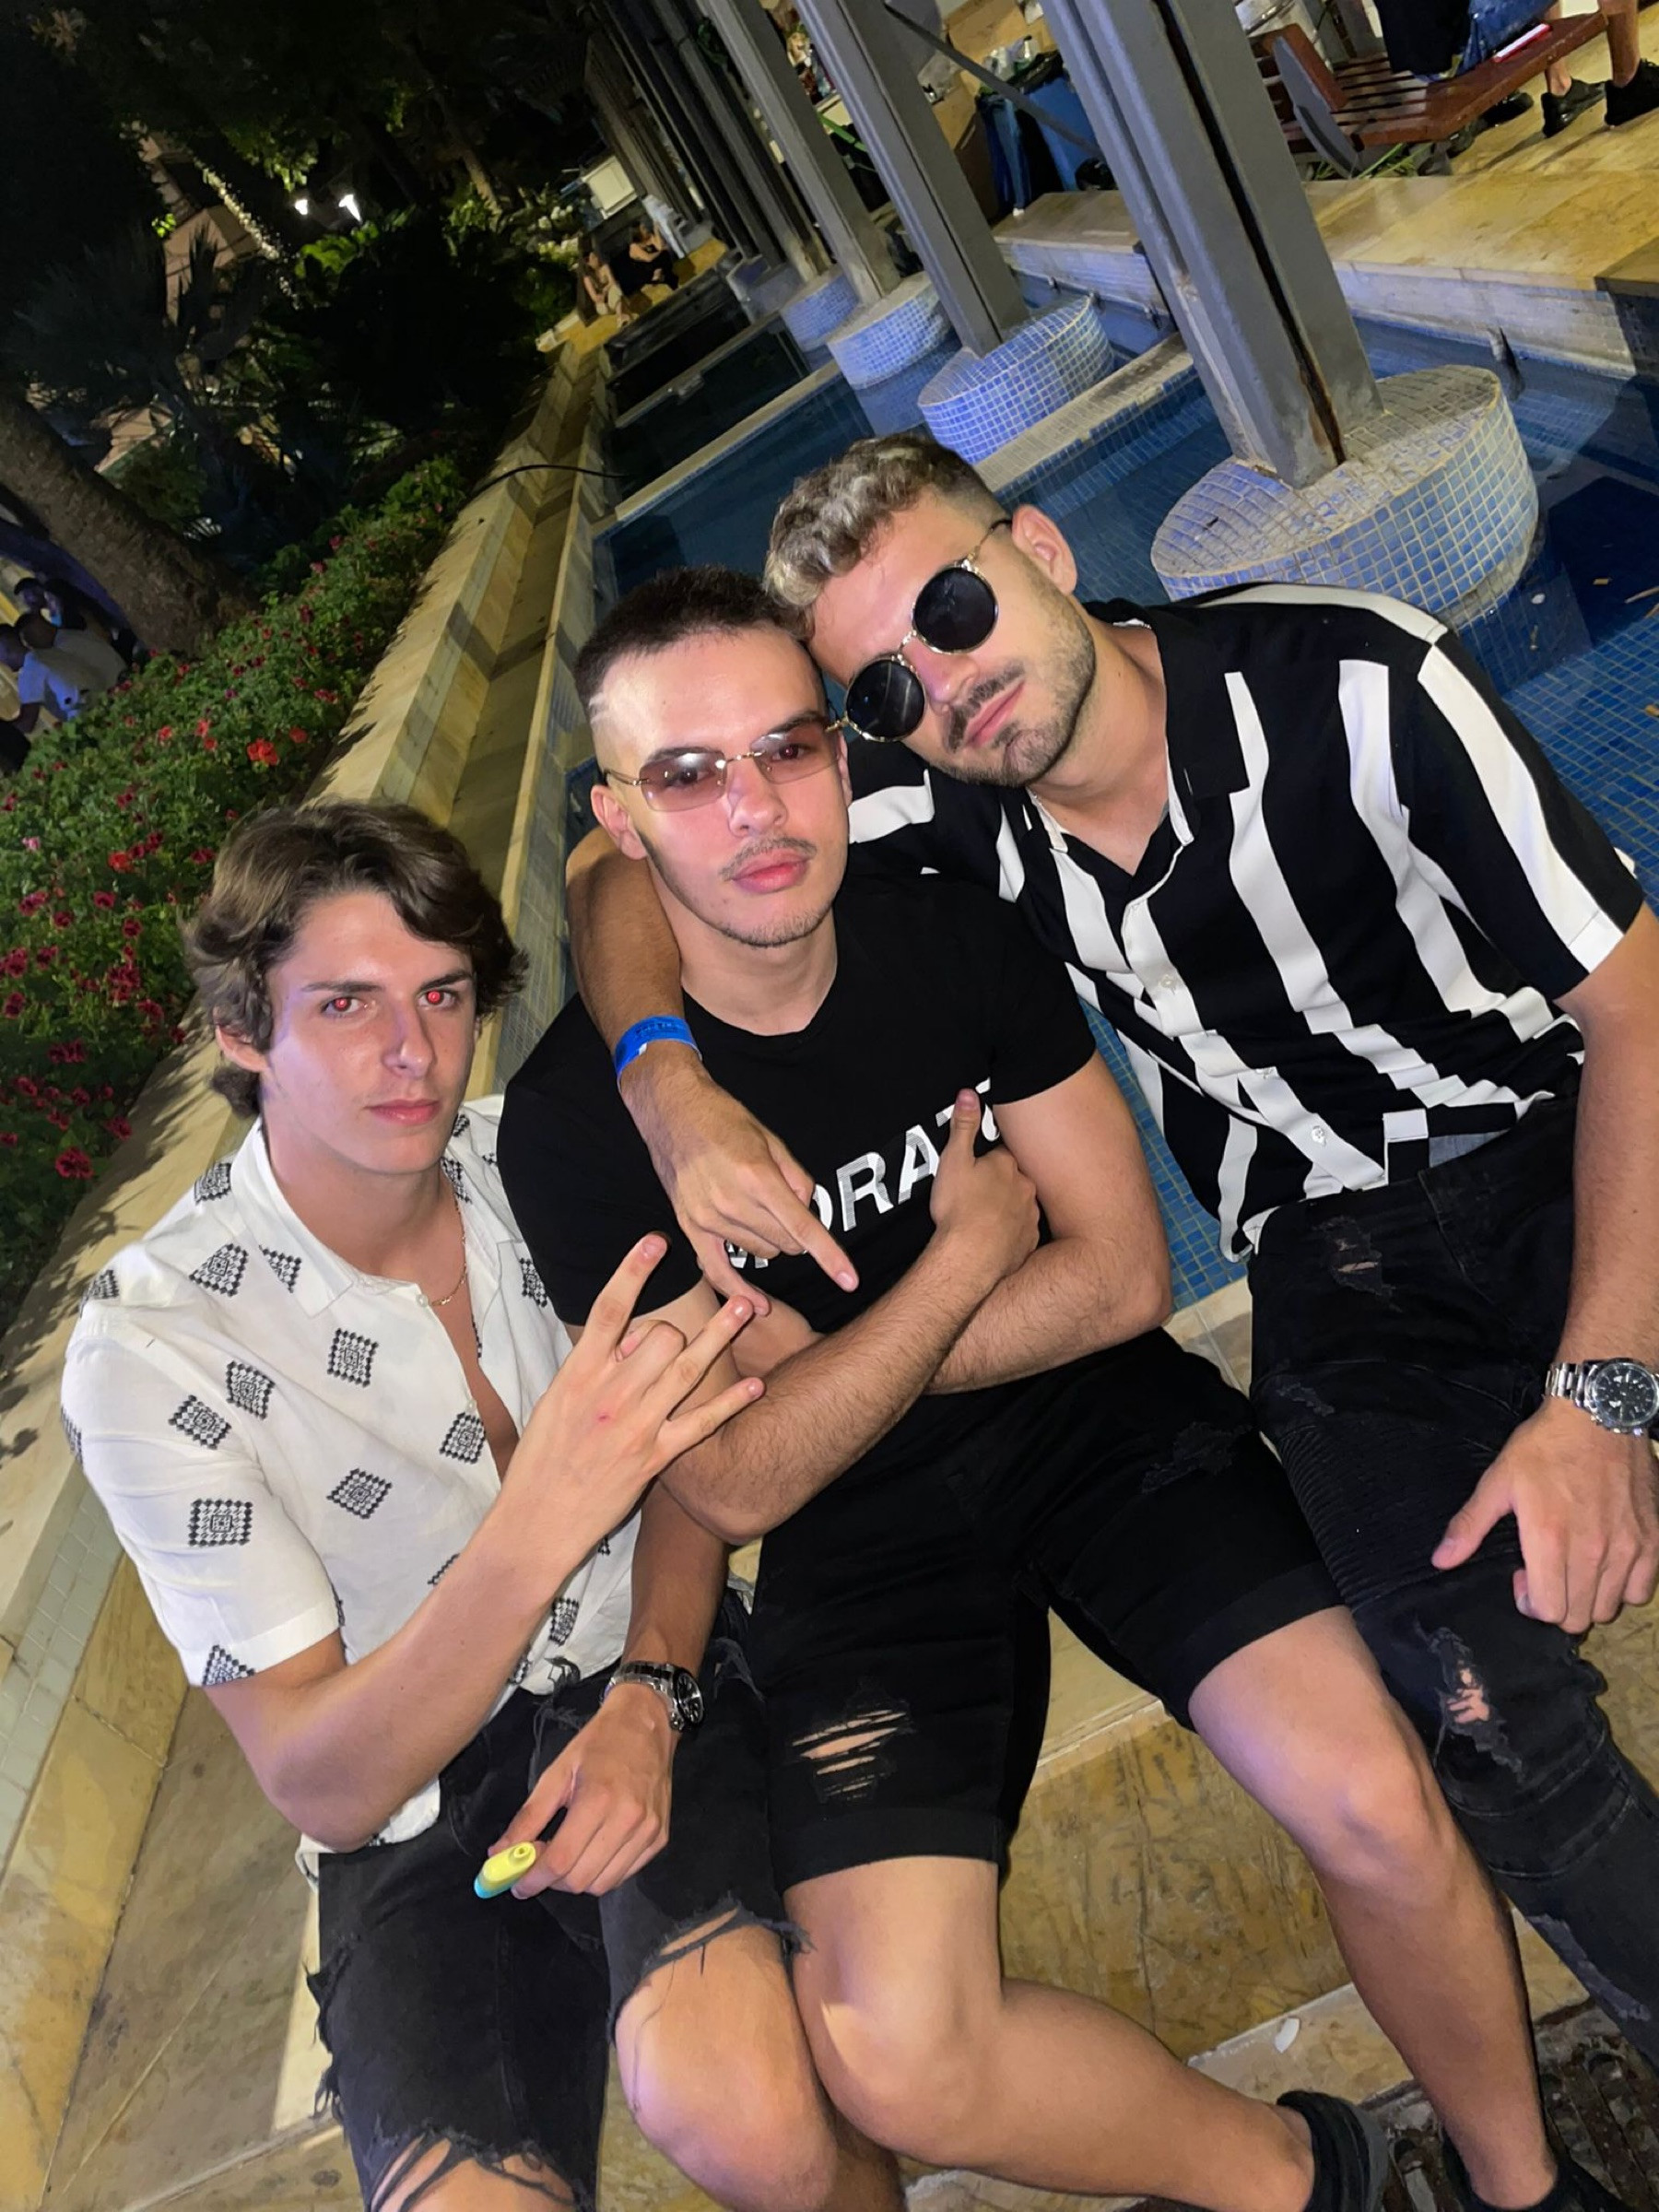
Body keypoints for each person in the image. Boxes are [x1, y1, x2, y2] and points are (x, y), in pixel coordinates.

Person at [502, 567, 1631, 2212]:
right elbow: (735, 1483)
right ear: (618, 816)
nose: (755, 811)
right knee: (896, 2058)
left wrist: (835, 1377)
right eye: (687, 776)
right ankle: (1308, 2176)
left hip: (1103, 1429)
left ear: (841, 754)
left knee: (1380, 1796)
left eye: (790, 749)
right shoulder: (576, 1128)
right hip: (861, 1546)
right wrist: (960, 1257)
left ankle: (1524, 2194)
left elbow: (1117, 1278)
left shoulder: (948, 922)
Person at [60, 798, 902, 2212]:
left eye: (442, 994)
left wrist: (651, 1695)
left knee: (750, 2115)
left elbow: (695, 1476)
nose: (411, 1051)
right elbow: (324, 1778)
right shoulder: (155, 1348)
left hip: (651, 1666)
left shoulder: (539, 1160)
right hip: (412, 1805)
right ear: (242, 1034)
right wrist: (542, 1514)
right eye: (344, 1004)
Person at [0, 612, 125, 734]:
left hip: (93, 717)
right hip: (105, 700)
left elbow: (26, 724)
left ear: (5, 649)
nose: (2, 663)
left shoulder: (30, 671)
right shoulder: (48, 653)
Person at [625, 219, 679, 293]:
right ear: (638, 233)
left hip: (658, 267)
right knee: (659, 256)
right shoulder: (634, 246)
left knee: (664, 254)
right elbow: (648, 258)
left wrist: (656, 231)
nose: (646, 229)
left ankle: (661, 275)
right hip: (645, 271)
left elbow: (660, 247)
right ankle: (659, 275)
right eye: (643, 229)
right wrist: (660, 251)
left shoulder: (650, 237)